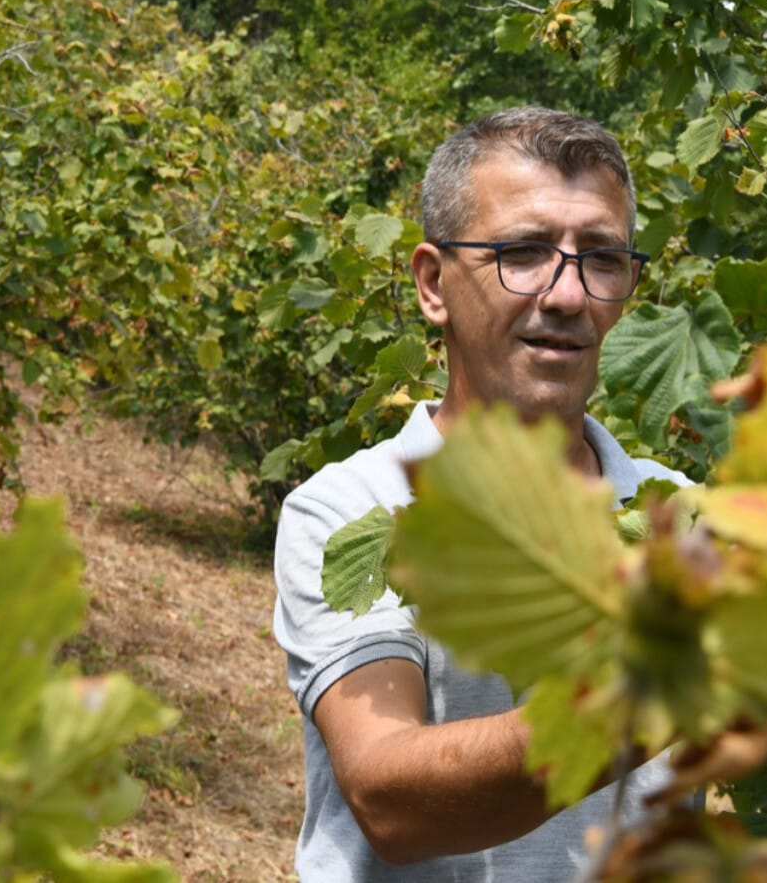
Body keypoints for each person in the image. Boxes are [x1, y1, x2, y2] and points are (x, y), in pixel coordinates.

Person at [272, 107, 691, 880]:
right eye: (523, 253)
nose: (567, 295)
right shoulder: (352, 512)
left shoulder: (687, 517)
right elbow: (391, 799)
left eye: (601, 258)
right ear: (433, 283)